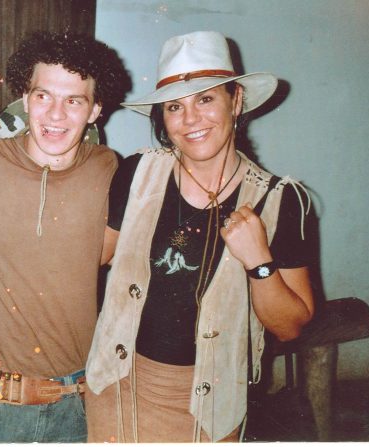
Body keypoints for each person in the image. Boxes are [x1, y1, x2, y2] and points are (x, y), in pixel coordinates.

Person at [85, 31, 315, 442]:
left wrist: (258, 262)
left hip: (213, 404)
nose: (190, 119)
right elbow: (94, 257)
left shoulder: (281, 200)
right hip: (118, 384)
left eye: (205, 99)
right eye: (175, 106)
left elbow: (290, 327)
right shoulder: (136, 174)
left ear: (236, 101)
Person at [0, 31, 130, 443]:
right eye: (43, 96)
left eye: (74, 101)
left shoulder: (109, 168)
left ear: (95, 110)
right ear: (25, 97)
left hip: (79, 404)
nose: (55, 114)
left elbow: (104, 256)